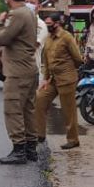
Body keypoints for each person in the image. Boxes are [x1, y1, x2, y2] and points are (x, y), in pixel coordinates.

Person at [0, 0, 39, 163]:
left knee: (13, 110)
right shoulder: (29, 13)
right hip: (29, 68)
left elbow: (2, 38)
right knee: (28, 109)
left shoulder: (17, 14)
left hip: (17, 71)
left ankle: (19, 149)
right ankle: (31, 148)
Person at [35, 13, 84, 150]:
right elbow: (46, 60)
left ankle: (73, 139)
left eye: (50, 24)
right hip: (52, 79)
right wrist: (45, 79)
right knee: (39, 99)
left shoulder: (67, 37)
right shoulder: (49, 39)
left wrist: (69, 70)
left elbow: (78, 58)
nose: (48, 26)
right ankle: (40, 134)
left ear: (57, 23)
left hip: (66, 78)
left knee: (68, 110)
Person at [25, 0, 48, 70]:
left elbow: (31, 47)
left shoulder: (41, 25)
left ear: (39, 6)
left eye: (32, 3)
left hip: (30, 72)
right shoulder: (20, 21)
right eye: (26, 2)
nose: (28, 5)